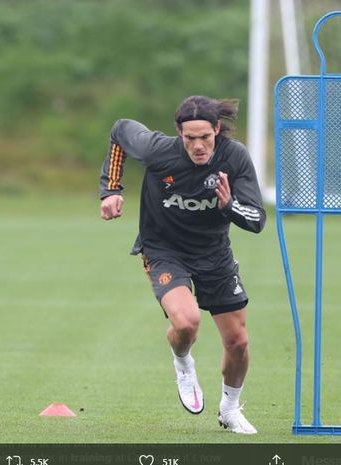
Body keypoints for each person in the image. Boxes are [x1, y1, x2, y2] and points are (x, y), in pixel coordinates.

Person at [98, 95, 266, 434]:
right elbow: (119, 132)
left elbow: (257, 218)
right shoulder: (158, 150)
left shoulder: (234, 158)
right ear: (179, 133)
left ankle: (230, 409)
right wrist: (111, 189)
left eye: (205, 137)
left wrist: (229, 205)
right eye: (190, 138)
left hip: (214, 254)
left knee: (238, 342)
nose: (199, 146)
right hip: (164, 250)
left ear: (217, 129)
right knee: (187, 323)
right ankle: (183, 363)